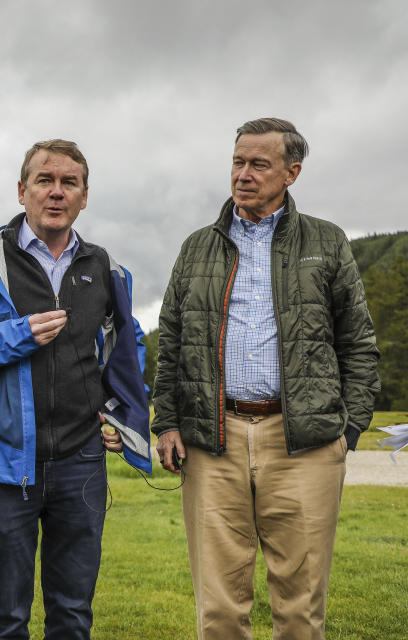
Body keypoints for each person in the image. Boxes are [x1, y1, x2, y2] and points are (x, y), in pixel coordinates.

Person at [152, 117, 380, 639]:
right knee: (218, 610)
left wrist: (347, 432)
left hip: (303, 442)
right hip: (214, 440)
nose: (244, 174)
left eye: (260, 164)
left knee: (300, 609)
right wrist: (167, 422)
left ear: (291, 172)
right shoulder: (196, 247)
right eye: (238, 162)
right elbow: (172, 344)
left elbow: (359, 345)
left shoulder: (327, 241)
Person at [0, 139, 151, 639]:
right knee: (6, 617)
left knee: (72, 615)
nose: (56, 192)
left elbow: (126, 347)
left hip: (80, 463)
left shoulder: (102, 267)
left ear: (84, 197)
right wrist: (15, 335)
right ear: (21, 190)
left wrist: (117, 413)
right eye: (45, 180)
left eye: (69, 183)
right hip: (2, 463)